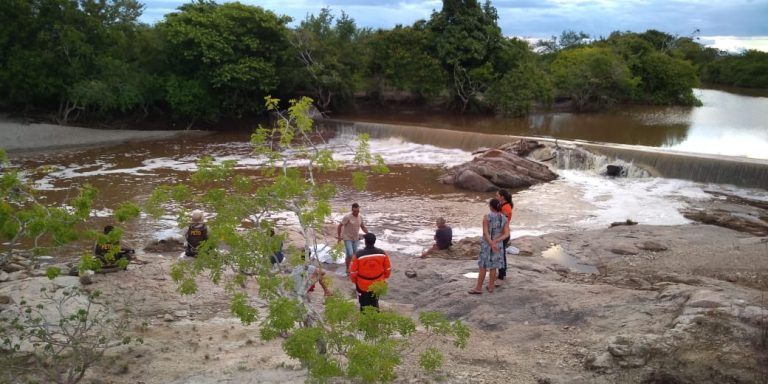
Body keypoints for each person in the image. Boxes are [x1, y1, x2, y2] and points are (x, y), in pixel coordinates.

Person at [469, 198, 509, 295]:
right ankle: (491, 286)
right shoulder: (504, 218)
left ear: (491, 207)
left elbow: (485, 232)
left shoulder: (486, 217)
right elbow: (506, 234)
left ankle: (478, 288)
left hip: (487, 245)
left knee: (483, 266)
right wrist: (496, 241)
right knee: (494, 266)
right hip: (498, 245)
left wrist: (491, 242)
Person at [349, 233, 391, 310]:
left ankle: (364, 317)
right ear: (374, 241)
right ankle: (375, 315)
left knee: (363, 304)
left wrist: (355, 281)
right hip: (378, 283)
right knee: (375, 301)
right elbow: (388, 269)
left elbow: (352, 272)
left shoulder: (358, 255)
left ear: (365, 242)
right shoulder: (382, 253)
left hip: (363, 285)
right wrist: (383, 278)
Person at [337, 203, 369, 274]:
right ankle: (352, 268)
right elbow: (340, 226)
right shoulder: (347, 217)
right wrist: (339, 236)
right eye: (355, 211)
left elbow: (362, 227)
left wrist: (368, 233)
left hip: (356, 238)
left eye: (358, 211)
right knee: (351, 254)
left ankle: (347, 268)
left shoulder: (360, 217)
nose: (356, 213)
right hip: (347, 237)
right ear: (352, 210)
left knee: (352, 254)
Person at [496, 189, 513, 282]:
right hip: (504, 233)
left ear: (502, 197)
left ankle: (501, 275)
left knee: (501, 255)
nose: (496, 197)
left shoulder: (505, 207)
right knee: (501, 254)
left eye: (497, 195)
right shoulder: (504, 205)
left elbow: (503, 221)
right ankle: (502, 273)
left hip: (503, 234)